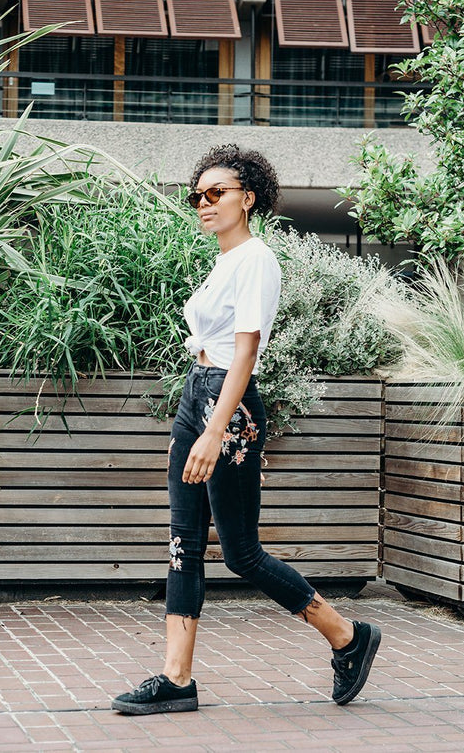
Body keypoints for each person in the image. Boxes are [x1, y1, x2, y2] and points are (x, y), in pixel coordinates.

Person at [111, 145, 381, 716]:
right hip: (197, 393)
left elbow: (246, 352)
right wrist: (194, 418)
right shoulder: (224, 262)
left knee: (241, 552)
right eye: (198, 197)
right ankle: (176, 678)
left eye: (218, 194)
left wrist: (213, 430)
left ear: (248, 197)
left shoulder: (256, 259)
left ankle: (347, 637)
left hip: (226, 408)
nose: (205, 204)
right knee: (184, 543)